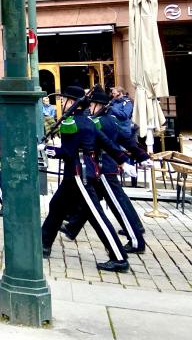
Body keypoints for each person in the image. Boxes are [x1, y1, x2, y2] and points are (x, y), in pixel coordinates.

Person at [40, 86, 130, 272]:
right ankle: (43, 243)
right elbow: (105, 141)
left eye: (64, 100)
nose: (62, 103)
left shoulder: (71, 122)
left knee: (97, 216)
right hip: (79, 173)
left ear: (72, 102)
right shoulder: (89, 121)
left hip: (78, 174)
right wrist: (122, 159)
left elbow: (67, 152)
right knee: (57, 207)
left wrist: (46, 150)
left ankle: (119, 257)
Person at [62, 87, 149, 254]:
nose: (89, 108)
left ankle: (136, 241)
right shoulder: (111, 120)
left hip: (103, 167)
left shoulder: (98, 122)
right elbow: (126, 139)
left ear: (97, 105)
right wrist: (142, 156)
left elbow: (105, 144)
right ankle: (72, 228)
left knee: (118, 206)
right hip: (104, 167)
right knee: (89, 203)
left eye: (91, 105)